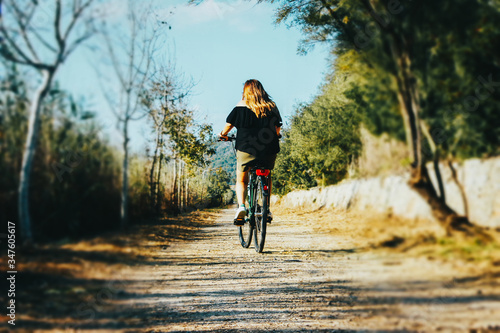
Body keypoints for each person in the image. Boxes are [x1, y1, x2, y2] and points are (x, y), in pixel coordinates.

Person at [219, 79, 282, 223]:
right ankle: (267, 208)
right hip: (269, 150)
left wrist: (223, 134)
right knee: (267, 175)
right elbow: (277, 128)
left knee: (241, 179)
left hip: (246, 149)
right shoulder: (271, 106)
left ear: (245, 92)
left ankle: (242, 206)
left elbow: (229, 125)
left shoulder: (240, 106)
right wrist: (277, 135)